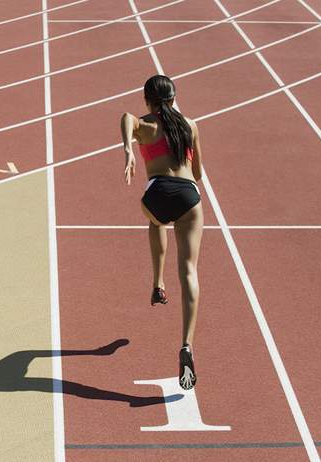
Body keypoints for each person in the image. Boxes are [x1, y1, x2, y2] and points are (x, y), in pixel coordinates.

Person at [119, 74, 204, 390]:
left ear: (147, 100)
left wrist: (129, 147)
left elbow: (126, 117)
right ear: (174, 99)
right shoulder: (190, 126)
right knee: (190, 271)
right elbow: (198, 174)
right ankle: (186, 345)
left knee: (155, 222)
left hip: (156, 194)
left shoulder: (145, 125)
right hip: (188, 197)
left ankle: (157, 282)